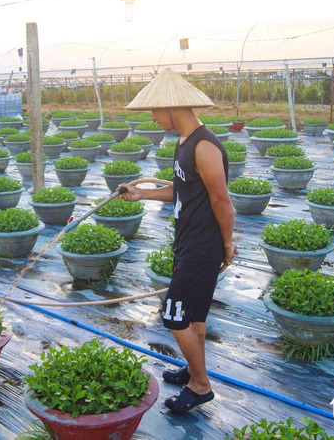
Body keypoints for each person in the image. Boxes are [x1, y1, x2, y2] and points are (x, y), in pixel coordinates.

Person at [117, 68, 238, 414]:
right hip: (188, 241)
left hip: (202, 247)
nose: (153, 117)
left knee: (173, 314)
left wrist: (227, 243)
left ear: (173, 108)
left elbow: (221, 201)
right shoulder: (184, 143)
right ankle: (192, 369)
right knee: (195, 316)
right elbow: (181, 191)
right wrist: (141, 194)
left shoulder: (204, 146)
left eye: (155, 111)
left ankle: (200, 385)